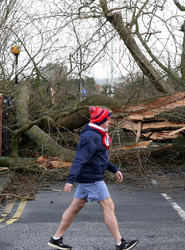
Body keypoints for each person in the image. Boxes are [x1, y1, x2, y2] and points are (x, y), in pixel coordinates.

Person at [48, 106, 139, 250]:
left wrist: (114, 169)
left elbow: (99, 158)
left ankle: (56, 239)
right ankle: (120, 243)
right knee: (109, 206)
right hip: (92, 178)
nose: (109, 122)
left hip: (88, 178)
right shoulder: (91, 136)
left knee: (75, 208)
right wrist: (70, 180)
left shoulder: (97, 133)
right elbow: (79, 159)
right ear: (101, 121)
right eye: (107, 120)